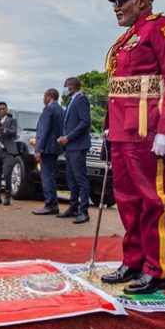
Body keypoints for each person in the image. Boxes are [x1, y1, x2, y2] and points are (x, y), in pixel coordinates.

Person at [100, 0, 165, 295]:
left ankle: (156, 269)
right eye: (114, 2)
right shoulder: (128, 38)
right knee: (126, 199)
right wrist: (111, 124)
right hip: (123, 130)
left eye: (122, 0)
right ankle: (133, 261)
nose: (116, 7)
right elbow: (120, 87)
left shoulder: (160, 28)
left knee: (154, 199)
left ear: (143, 1)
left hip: (149, 129)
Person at [56, 78, 91, 223]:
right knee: (71, 178)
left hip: (78, 145)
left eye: (65, 87)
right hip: (70, 146)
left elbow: (85, 122)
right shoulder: (71, 101)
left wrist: (68, 137)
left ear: (72, 87)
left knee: (80, 178)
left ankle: (84, 211)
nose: (64, 90)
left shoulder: (81, 100)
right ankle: (73, 207)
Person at [32, 89, 64, 215]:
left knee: (46, 177)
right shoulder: (61, 110)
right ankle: (53, 205)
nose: (43, 99)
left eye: (44, 96)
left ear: (49, 96)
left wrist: (38, 149)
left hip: (47, 148)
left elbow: (43, 131)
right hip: (56, 148)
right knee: (51, 177)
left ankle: (49, 205)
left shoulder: (48, 110)